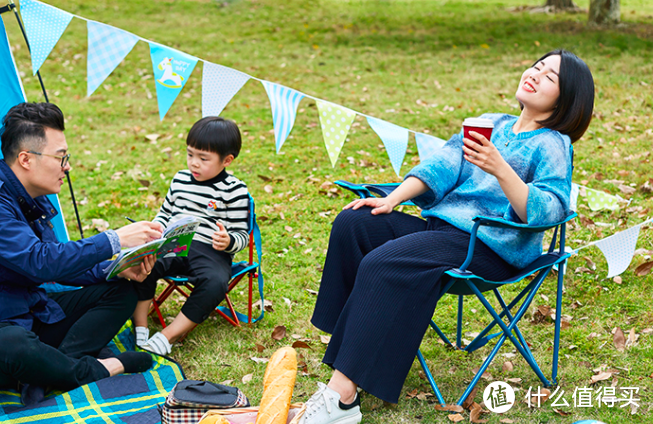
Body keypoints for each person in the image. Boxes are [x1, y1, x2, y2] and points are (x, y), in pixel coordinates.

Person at [299, 49, 595, 424]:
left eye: (550, 77)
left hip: (490, 246)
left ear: (567, 99)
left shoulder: (552, 144)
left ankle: (342, 398)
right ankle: (353, 347)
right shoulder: (490, 123)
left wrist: (500, 168)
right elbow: (443, 164)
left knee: (384, 262)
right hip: (443, 230)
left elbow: (548, 209)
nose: (535, 75)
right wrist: (391, 200)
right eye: (537, 66)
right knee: (354, 223)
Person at [0, 102, 164, 405]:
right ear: (26, 159)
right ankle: (97, 368)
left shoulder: (31, 198)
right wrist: (114, 239)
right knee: (16, 345)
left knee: (121, 291)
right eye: (60, 157)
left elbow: (57, 265)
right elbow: (39, 260)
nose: (67, 166)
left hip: (28, 312)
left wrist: (115, 270)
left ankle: (48, 369)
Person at [132, 116, 250, 356]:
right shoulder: (180, 180)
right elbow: (165, 213)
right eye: (190, 154)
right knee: (143, 264)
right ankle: (140, 326)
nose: (194, 163)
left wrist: (228, 241)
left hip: (210, 251)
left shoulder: (235, 190)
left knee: (216, 283)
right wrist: (156, 228)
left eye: (203, 158)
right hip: (173, 243)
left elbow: (242, 234)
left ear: (227, 160)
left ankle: (168, 336)